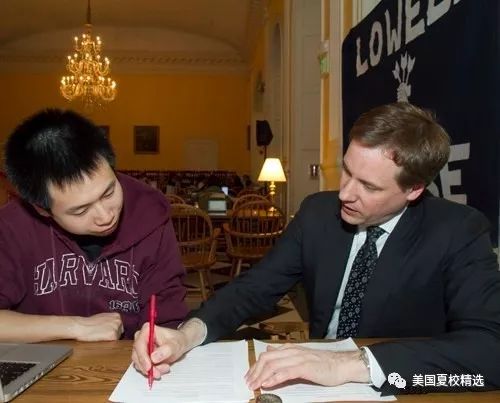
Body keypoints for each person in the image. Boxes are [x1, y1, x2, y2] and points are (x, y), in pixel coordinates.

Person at [132, 102, 500, 395]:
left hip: (399, 386)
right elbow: (254, 289)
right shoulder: (318, 213)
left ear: (414, 189)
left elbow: (490, 351)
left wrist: (352, 364)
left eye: (369, 186)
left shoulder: (458, 231)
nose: (345, 193)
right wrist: (187, 334)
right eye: (346, 171)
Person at [0, 109, 188, 343]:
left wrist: (162, 339)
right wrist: (74, 326)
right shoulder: (11, 227)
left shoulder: (151, 214)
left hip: (127, 360)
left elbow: (168, 314)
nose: (105, 216)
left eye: (109, 192)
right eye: (81, 210)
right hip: (45, 361)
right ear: (41, 209)